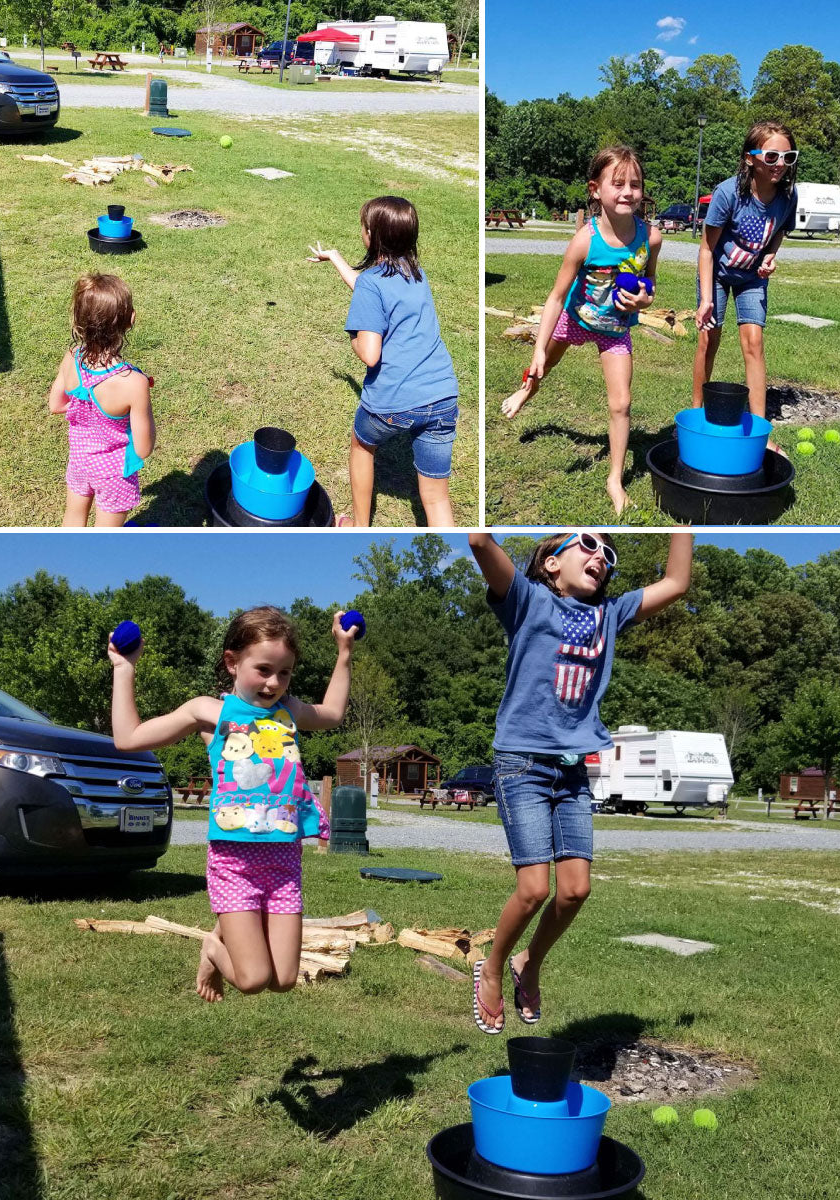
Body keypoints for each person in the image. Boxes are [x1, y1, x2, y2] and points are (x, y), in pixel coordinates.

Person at [466, 529, 693, 1032]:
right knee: (532, 889)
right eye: (588, 545)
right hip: (522, 763)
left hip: (571, 770)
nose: (602, 558)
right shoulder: (526, 602)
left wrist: (685, 519)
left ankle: (531, 962)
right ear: (550, 563)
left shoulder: (609, 614)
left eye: (609, 555)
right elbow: (480, 542)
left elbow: (676, 582)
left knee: (575, 891)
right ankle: (495, 967)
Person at [109, 606, 357, 1002]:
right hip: (234, 863)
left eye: (285, 673)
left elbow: (332, 714)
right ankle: (213, 947)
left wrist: (343, 652)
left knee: (285, 979)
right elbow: (128, 737)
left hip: (284, 862)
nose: (274, 683)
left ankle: (228, 935)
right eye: (263, 669)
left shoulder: (288, 711)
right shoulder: (209, 711)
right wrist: (124, 669)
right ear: (232, 662)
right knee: (253, 979)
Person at [501, 147, 661, 515]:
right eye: (617, 183)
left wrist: (643, 301)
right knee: (543, 367)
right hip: (574, 318)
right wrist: (539, 348)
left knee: (621, 403)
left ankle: (614, 480)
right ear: (595, 189)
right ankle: (526, 391)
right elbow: (556, 297)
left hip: (615, 329)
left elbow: (650, 283)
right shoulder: (584, 241)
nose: (627, 192)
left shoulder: (650, 237)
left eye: (634, 184)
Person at [307, 196, 459, 528]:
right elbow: (367, 288)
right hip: (443, 396)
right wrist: (335, 259)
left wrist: (353, 338)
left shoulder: (373, 284)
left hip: (394, 402)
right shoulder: (415, 273)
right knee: (435, 497)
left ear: (371, 235)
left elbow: (370, 353)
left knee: (362, 445)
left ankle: (359, 527)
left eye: (363, 226)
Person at [693, 120, 799, 451]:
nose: (780, 164)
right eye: (771, 157)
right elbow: (707, 249)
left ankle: (759, 434)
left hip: (753, 276)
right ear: (750, 158)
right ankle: (696, 418)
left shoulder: (788, 197)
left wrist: (770, 256)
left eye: (788, 157)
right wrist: (706, 299)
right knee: (709, 340)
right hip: (718, 275)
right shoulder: (728, 194)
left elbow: (780, 229)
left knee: (754, 342)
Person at [48, 273, 156, 527]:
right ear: (130, 320)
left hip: (79, 459)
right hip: (113, 472)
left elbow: (56, 405)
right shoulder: (133, 383)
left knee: (73, 516)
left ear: (79, 321)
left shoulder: (73, 356)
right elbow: (143, 448)